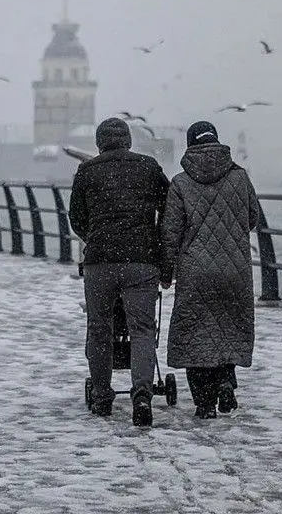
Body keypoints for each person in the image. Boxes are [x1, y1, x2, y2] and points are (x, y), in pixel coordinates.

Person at [68, 117, 170, 427]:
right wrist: (157, 248)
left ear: (100, 143)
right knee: (142, 329)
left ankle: (101, 395)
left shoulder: (87, 170)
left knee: (100, 328)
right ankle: (142, 394)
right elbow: (168, 210)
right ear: (128, 140)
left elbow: (77, 217)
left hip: (100, 263)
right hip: (141, 260)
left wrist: (97, 238)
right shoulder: (149, 167)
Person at [160, 121, 263, 419]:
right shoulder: (240, 178)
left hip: (195, 272)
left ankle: (204, 403)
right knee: (227, 330)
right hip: (235, 270)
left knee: (196, 335)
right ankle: (225, 383)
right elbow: (252, 217)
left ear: (190, 144)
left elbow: (170, 233)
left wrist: (166, 271)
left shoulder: (180, 183)